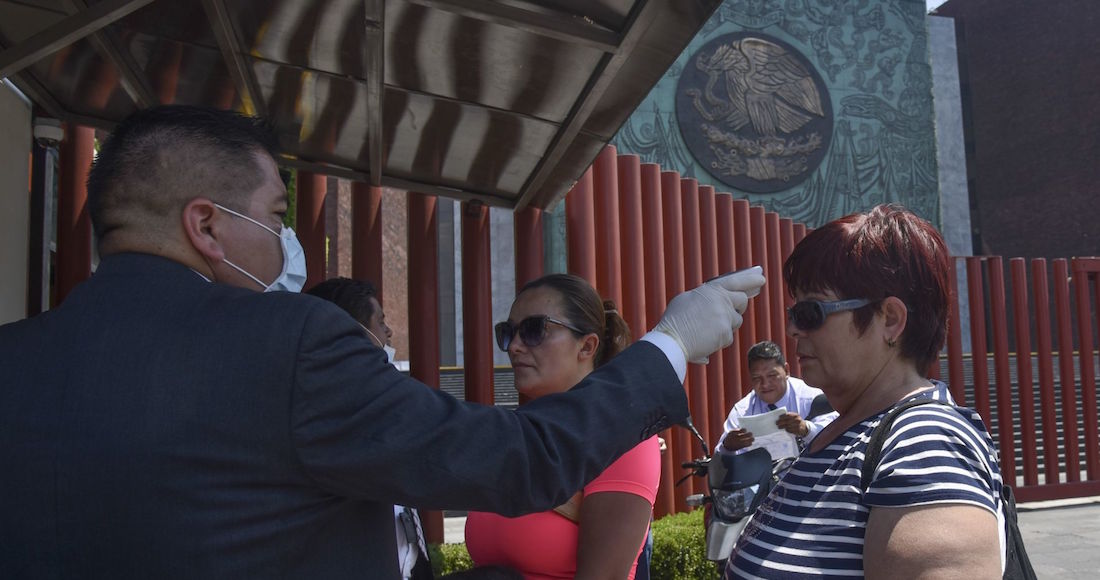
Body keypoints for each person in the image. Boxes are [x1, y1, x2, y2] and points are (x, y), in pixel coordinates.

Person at [0, 105, 765, 580]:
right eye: (274, 214)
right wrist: (671, 342)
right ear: (205, 225)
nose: (285, 241)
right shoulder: (291, 343)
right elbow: (516, 458)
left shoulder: (15, 361)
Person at [725, 205, 1005, 578]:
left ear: (889, 319)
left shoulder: (923, 443)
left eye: (811, 312)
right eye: (794, 314)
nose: (793, 329)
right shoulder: (844, 427)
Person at [465, 274, 658, 580]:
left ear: (587, 346)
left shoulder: (624, 439)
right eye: (508, 332)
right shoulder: (522, 429)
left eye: (533, 330)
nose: (514, 346)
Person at [306, 277, 428, 580]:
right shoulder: (325, 418)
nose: (388, 333)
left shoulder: (387, 403)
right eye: (381, 321)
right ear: (350, 330)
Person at [715, 340, 838, 454]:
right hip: (761, 475)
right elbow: (719, 456)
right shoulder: (742, 410)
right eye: (757, 378)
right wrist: (728, 446)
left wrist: (806, 429)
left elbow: (834, 433)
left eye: (772, 375)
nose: (765, 384)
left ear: (786, 370)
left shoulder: (811, 398)